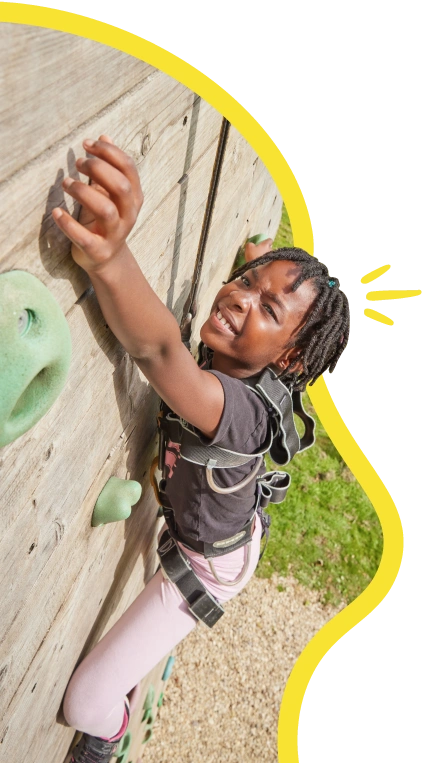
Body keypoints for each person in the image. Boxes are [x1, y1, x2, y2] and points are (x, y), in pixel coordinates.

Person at [52, 136, 350, 762]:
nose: (239, 296)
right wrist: (259, 263)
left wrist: (111, 256)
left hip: (208, 564)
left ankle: (109, 736)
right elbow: (259, 299)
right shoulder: (252, 350)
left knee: (85, 702)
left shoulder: (236, 413)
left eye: (268, 308)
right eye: (244, 282)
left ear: (289, 360)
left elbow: (160, 349)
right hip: (226, 520)